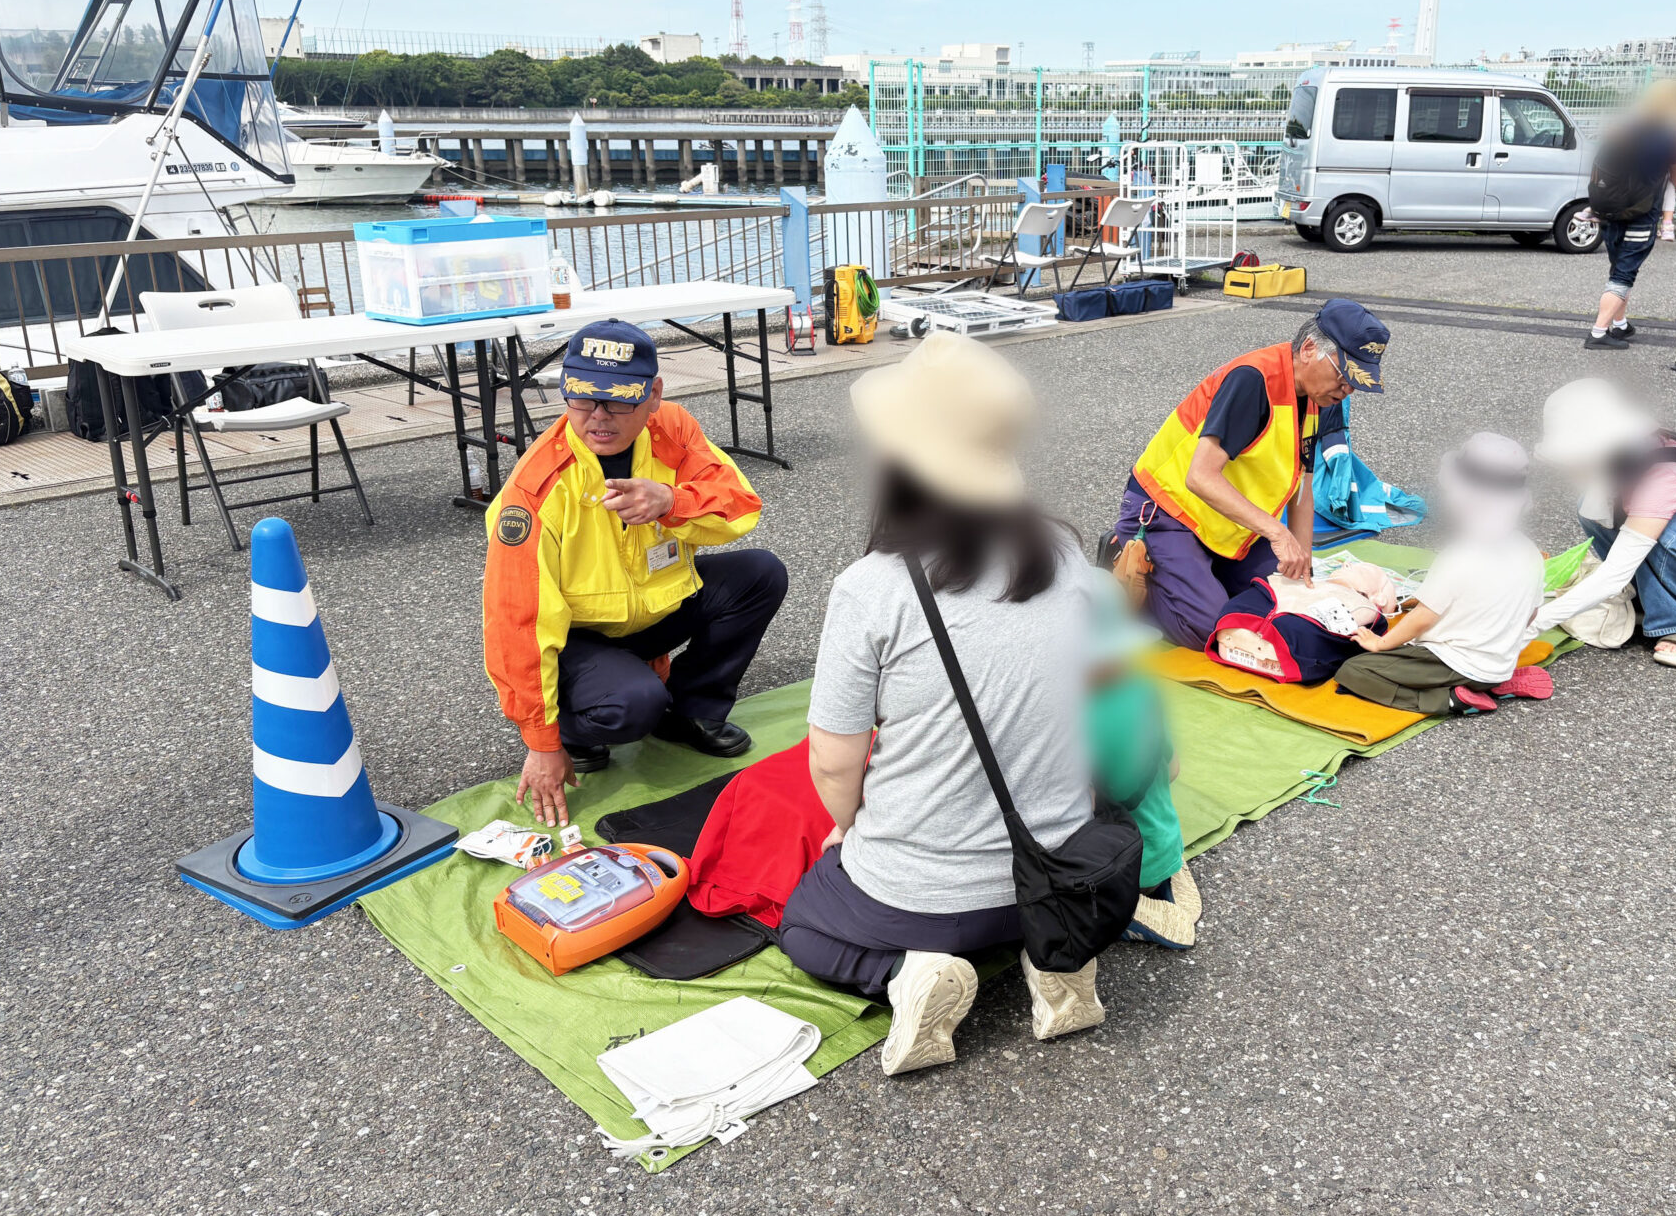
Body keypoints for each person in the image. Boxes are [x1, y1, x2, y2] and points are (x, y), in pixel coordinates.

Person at [777, 333, 1101, 1077]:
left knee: (805, 925)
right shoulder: (1065, 555)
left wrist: (847, 832)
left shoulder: (873, 586)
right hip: (1058, 874)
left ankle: (907, 974)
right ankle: (1051, 959)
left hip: (922, 895)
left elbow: (834, 760)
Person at [483, 321, 787, 826]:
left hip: (654, 612)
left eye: (619, 400)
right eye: (582, 398)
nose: (598, 417)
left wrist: (672, 501)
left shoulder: (673, 427)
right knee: (632, 705)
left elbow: (741, 506)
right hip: (581, 638)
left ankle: (691, 711)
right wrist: (542, 742)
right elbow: (515, 623)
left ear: (653, 395)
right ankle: (579, 731)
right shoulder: (533, 491)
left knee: (760, 574)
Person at [1105, 299, 1392, 651]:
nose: (1347, 389)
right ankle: (1126, 562)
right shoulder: (1253, 380)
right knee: (1211, 628)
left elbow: (1303, 486)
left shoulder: (1323, 397)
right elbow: (1200, 477)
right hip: (1167, 511)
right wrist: (1278, 533)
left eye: (1356, 382)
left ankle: (1200, 577)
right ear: (1308, 349)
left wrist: (1303, 570)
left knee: (1281, 604)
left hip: (1228, 521)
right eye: (1343, 375)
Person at [1531, 378, 1676, 670]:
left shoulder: (1661, 480)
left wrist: (1535, 623)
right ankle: (1650, 600)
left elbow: (1614, 575)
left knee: (1665, 530)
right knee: (1594, 507)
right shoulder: (1639, 449)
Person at [1334, 433, 1554, 715]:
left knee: (1354, 671)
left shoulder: (1459, 556)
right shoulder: (1530, 551)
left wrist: (1380, 644)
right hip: (1500, 664)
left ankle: (1451, 699)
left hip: (1455, 663)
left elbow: (1423, 619)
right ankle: (1494, 684)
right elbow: (1531, 615)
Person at [1084, 569, 1198, 949]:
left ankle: (1128, 911)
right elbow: (1173, 768)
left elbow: (1079, 807)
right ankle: (1168, 874)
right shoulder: (1146, 689)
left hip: (1121, 866)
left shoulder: (1075, 716)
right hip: (1164, 844)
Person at [1587, 79, 1676, 350]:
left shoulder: (1622, 129)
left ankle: (1620, 324)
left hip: (1609, 210)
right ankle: (1598, 333)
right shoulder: (1667, 137)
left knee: (1618, 270)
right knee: (1624, 274)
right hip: (1641, 214)